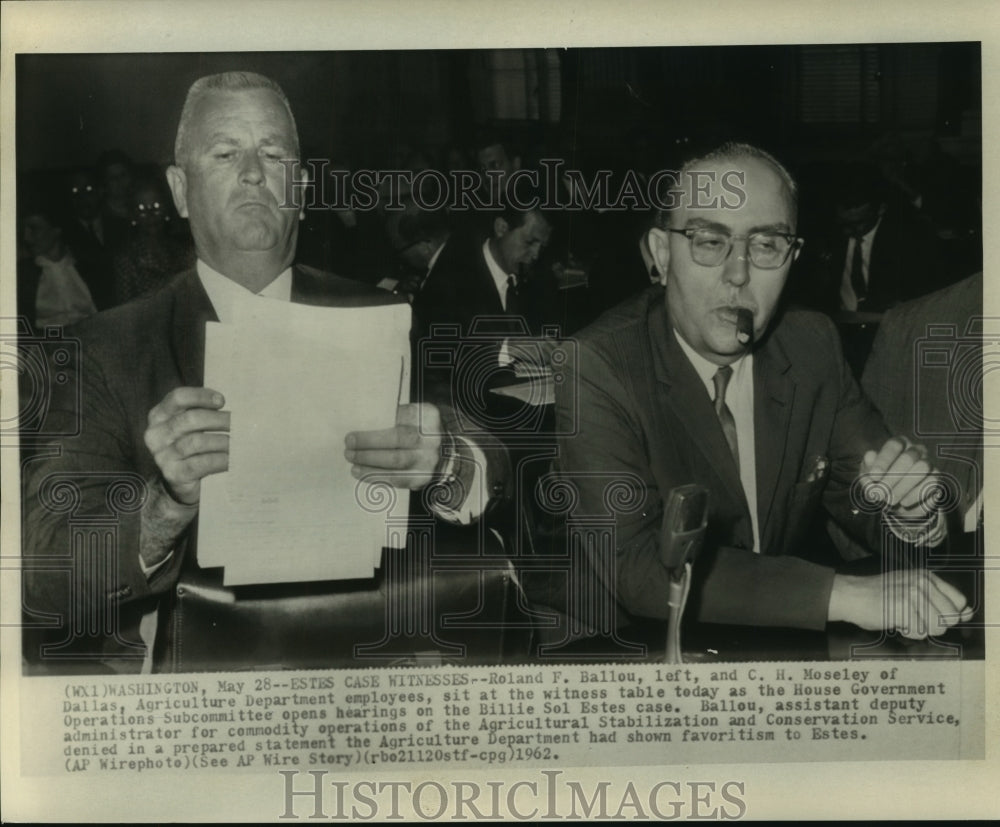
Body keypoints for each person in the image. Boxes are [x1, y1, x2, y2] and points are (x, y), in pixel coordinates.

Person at [22, 72, 508, 672]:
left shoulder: (381, 313)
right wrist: (161, 510)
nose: (253, 171)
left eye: (273, 153)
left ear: (300, 186)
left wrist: (447, 460)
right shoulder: (104, 349)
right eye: (225, 153)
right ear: (179, 190)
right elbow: (43, 572)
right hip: (198, 683)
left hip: (369, 657)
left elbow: (489, 447)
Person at [553, 142, 971, 644]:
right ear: (662, 255)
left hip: (763, 630)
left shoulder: (810, 344)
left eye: (766, 245)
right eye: (709, 241)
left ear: (792, 257)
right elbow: (643, 570)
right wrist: (850, 595)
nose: (739, 274)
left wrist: (912, 514)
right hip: (612, 640)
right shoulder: (597, 364)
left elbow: (866, 494)